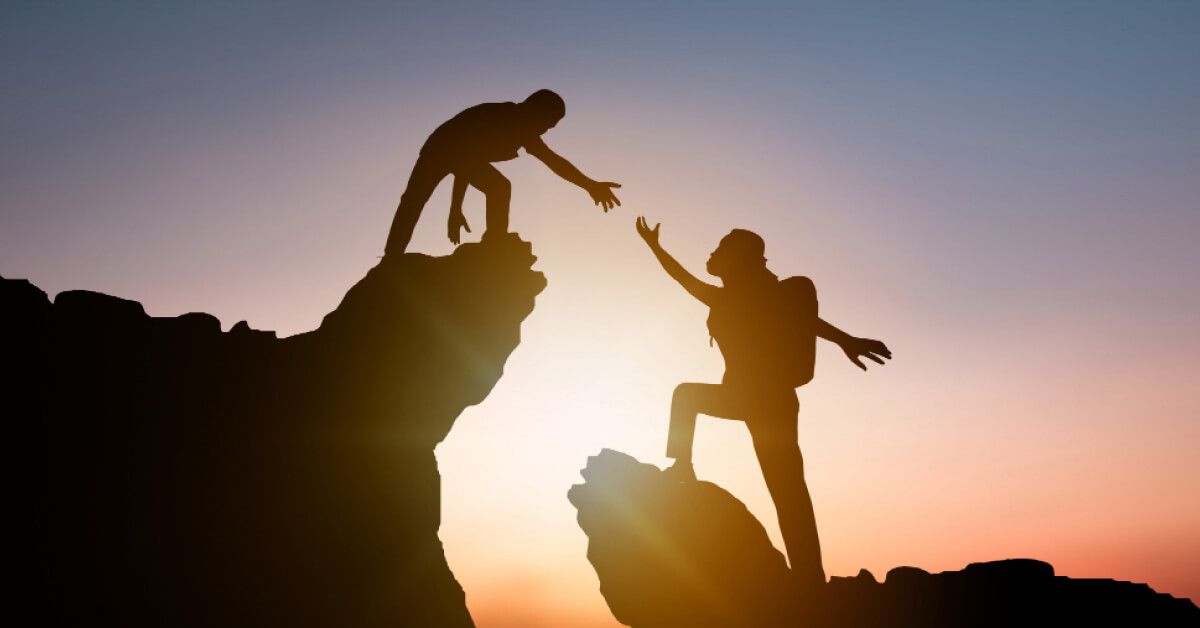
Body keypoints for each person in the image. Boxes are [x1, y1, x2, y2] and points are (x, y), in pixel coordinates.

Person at [634, 216, 891, 591]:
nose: (712, 252)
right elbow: (683, 279)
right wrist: (655, 248)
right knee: (688, 397)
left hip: (770, 400)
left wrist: (846, 340)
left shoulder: (773, 293)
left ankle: (809, 579)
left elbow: (807, 320)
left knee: (787, 488)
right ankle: (682, 465)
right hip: (744, 396)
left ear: (739, 258)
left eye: (721, 248)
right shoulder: (724, 296)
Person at [383, 89, 622, 256]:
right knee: (414, 199)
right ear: (534, 110)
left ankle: (495, 241)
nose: (546, 130)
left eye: (551, 127)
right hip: (440, 147)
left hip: (463, 154)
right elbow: (464, 159)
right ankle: (392, 256)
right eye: (547, 123)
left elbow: (554, 161)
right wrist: (456, 209)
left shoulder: (524, 130)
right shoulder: (502, 118)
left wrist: (590, 185)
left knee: (499, 187)